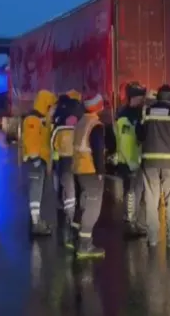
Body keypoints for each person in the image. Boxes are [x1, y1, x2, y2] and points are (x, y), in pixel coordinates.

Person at [138, 84, 170, 248]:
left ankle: (152, 238)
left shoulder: (146, 112)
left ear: (158, 97)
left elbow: (140, 136)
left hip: (150, 162)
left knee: (151, 200)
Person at [70, 94, 108, 258]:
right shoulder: (95, 125)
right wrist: (101, 171)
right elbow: (98, 150)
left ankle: (75, 239)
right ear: (98, 106)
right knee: (93, 208)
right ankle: (85, 246)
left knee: (84, 204)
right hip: (90, 169)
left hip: (78, 168)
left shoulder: (81, 122)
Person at [51, 90, 85, 247]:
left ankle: (69, 219)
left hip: (63, 160)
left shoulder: (59, 122)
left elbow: (52, 142)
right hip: (78, 160)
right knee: (77, 190)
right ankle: (77, 221)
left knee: (68, 190)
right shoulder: (81, 121)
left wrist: (54, 157)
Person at [22, 89, 58, 235]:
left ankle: (36, 220)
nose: (53, 111)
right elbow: (30, 141)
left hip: (41, 160)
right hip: (35, 161)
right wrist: (35, 159)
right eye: (52, 107)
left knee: (39, 191)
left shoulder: (42, 119)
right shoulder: (32, 120)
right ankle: (36, 223)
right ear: (46, 105)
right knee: (35, 191)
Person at [114, 82, 148, 238]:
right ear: (135, 97)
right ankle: (130, 222)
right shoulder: (129, 115)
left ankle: (133, 220)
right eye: (141, 96)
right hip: (130, 160)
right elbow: (128, 140)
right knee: (132, 191)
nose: (143, 99)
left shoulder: (128, 113)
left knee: (136, 190)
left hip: (132, 158)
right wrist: (131, 161)